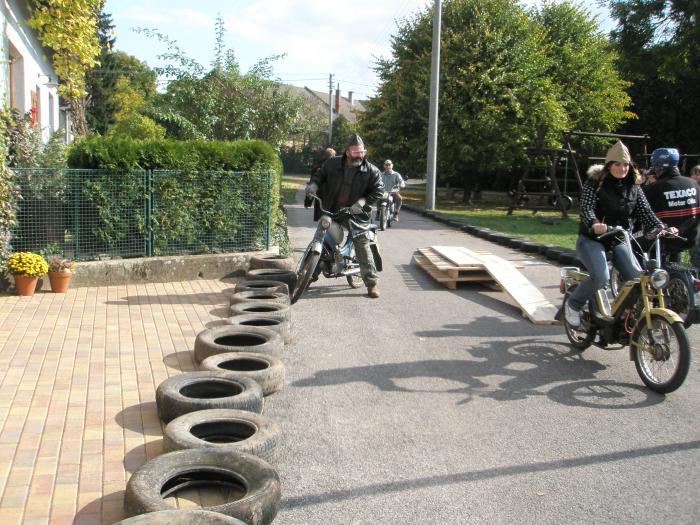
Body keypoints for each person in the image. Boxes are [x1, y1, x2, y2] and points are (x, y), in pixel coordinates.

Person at [565, 140, 667, 328]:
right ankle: (574, 304)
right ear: (609, 165)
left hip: (619, 238)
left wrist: (661, 226)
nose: (622, 168)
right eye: (618, 164)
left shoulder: (634, 187)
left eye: (626, 165)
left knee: (636, 279)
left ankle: (623, 316)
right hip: (593, 239)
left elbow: (645, 212)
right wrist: (594, 223)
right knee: (601, 276)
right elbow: (586, 208)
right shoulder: (594, 183)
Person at [305, 133, 384, 298]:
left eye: (362, 152)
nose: (359, 156)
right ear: (347, 152)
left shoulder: (372, 171)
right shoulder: (332, 163)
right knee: (322, 239)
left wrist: (361, 203)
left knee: (361, 244)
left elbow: (378, 191)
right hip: (333, 210)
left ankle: (372, 283)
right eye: (356, 152)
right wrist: (313, 185)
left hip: (357, 214)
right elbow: (319, 175)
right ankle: (308, 274)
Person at [643, 148, 700, 262]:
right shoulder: (694, 184)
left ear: (657, 165)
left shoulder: (652, 189)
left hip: (664, 243)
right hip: (692, 240)